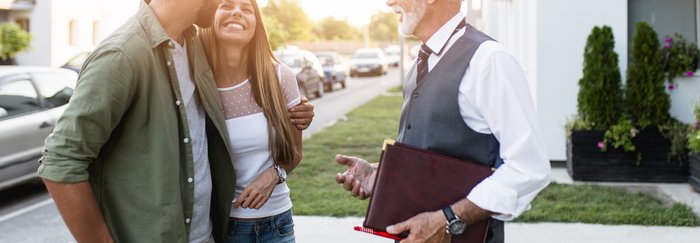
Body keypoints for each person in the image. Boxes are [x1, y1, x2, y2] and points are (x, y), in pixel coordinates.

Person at [37, 0, 314, 242]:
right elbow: (61, 161)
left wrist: (294, 113)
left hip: (206, 234)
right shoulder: (123, 54)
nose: (221, 3)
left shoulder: (192, 45)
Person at [334, 0, 551, 242]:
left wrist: (448, 220)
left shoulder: (490, 60)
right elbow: (433, 151)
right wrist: (380, 176)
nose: (389, 2)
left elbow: (528, 167)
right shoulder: (421, 61)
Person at [198, 0, 302, 242]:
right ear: (210, 17)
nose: (237, 12)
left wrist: (274, 174)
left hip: (278, 225)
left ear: (256, 24)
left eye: (247, 8)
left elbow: (295, 153)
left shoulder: (280, 77)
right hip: (223, 227)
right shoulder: (198, 83)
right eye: (226, 5)